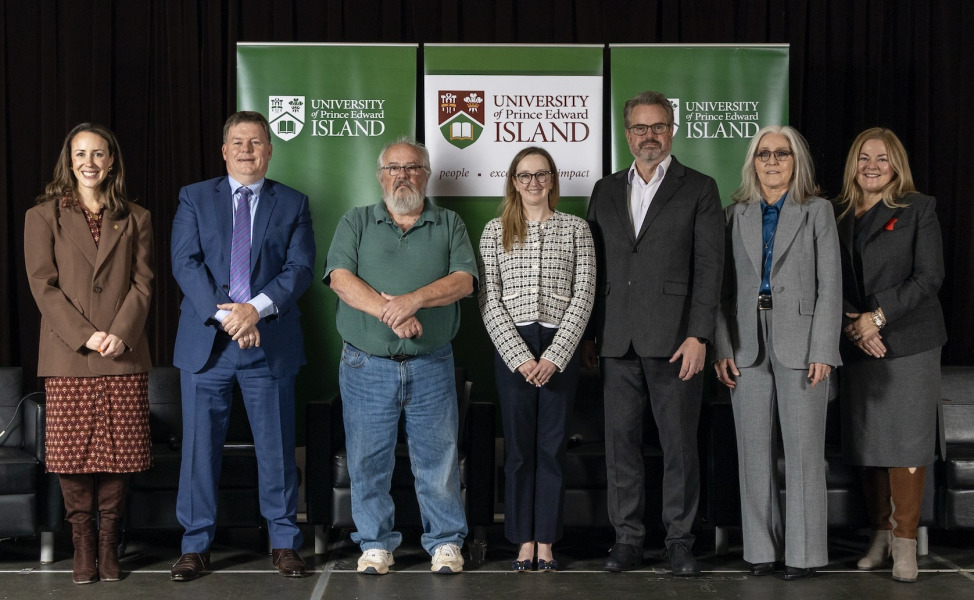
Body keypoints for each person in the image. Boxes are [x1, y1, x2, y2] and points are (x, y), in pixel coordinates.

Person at [169, 111, 315, 581]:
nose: (247, 150)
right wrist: (232, 315)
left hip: (267, 344)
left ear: (270, 150)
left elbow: (300, 269)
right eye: (238, 142)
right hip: (207, 345)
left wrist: (255, 310)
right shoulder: (194, 198)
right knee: (199, 450)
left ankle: (284, 542)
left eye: (256, 142)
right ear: (224, 150)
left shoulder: (292, 203)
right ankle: (195, 546)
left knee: (276, 448)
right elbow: (185, 264)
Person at [583, 91, 724, 576]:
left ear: (671, 130)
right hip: (615, 339)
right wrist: (587, 335)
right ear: (627, 134)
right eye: (640, 128)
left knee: (679, 446)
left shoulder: (700, 187)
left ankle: (680, 541)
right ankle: (626, 541)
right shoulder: (604, 190)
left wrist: (699, 335)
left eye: (658, 126)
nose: (650, 135)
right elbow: (591, 267)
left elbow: (710, 268)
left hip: (676, 342)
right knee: (621, 445)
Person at [324, 137, 477, 576]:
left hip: (431, 363)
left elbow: (464, 281)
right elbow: (339, 279)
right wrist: (393, 314)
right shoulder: (356, 221)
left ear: (427, 175)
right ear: (380, 176)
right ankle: (375, 544)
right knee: (368, 459)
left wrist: (414, 300)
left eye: (412, 168)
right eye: (393, 168)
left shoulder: (449, 223)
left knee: (439, 458)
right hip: (365, 364)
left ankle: (445, 542)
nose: (402, 176)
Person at [25, 123, 153, 584]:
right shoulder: (42, 217)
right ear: (69, 160)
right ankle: (82, 543)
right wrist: (87, 335)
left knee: (120, 454)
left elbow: (143, 283)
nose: (89, 163)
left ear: (111, 160)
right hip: (68, 353)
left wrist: (120, 333)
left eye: (98, 154)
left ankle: (108, 544)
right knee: (72, 454)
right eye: (80, 154)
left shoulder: (136, 216)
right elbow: (43, 286)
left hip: (123, 351)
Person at [713, 125, 841, 580]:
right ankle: (761, 550)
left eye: (781, 154)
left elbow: (831, 286)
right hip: (746, 344)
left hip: (803, 344)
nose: (771, 161)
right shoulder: (735, 214)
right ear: (753, 162)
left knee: (805, 452)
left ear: (795, 160)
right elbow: (719, 290)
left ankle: (804, 555)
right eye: (763, 154)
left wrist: (825, 347)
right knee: (752, 452)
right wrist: (722, 347)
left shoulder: (817, 212)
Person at [834, 128, 947, 583]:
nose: (872, 165)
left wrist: (876, 319)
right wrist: (852, 324)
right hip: (857, 341)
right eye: (864, 157)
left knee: (906, 444)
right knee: (868, 441)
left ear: (896, 164)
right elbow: (827, 279)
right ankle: (878, 536)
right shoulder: (836, 212)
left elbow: (929, 277)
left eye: (882, 158)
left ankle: (905, 544)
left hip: (910, 342)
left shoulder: (919, 208)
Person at [478, 147, 596, 572]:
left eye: (541, 175)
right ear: (513, 180)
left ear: (552, 180)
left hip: (558, 345)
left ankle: (546, 540)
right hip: (514, 347)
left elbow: (584, 296)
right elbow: (488, 300)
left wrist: (557, 356)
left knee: (550, 449)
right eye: (524, 175)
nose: (533, 182)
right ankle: (521, 540)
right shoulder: (495, 231)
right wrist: (519, 357)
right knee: (519, 452)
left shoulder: (576, 229)